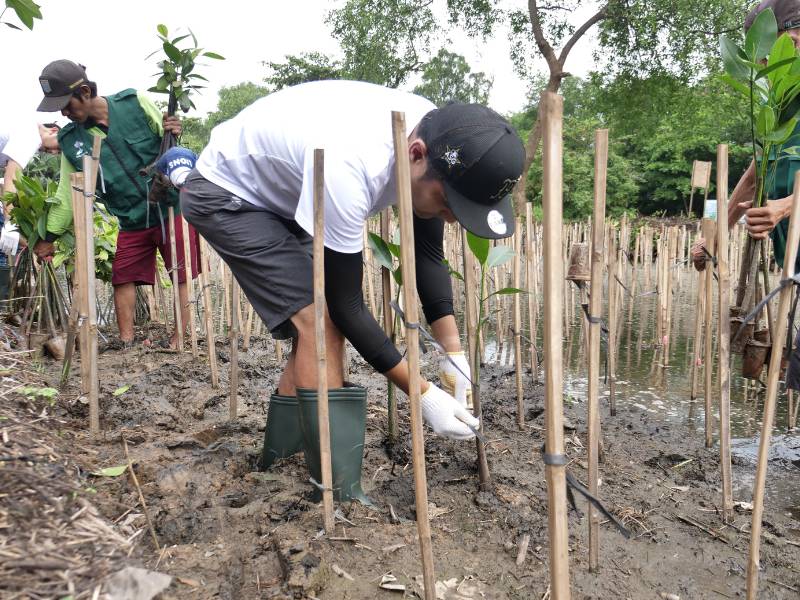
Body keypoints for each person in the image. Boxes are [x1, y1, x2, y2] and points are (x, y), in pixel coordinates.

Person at [180, 79, 524, 497]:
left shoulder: (440, 135)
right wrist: (423, 394)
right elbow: (346, 306)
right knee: (321, 324)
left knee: (315, 330)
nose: (451, 217)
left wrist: (454, 356)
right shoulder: (352, 164)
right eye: (449, 203)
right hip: (228, 192)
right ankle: (335, 486)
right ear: (416, 156)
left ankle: (280, 455)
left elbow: (428, 256)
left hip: (290, 192)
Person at [32, 59, 197, 349]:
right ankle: (126, 341)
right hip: (130, 218)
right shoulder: (71, 140)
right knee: (123, 276)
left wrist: (174, 131)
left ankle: (181, 338)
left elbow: (169, 146)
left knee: (181, 272)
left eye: (66, 104)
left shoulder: (134, 102)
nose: (64, 112)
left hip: (170, 208)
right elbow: (67, 197)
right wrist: (48, 237)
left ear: (84, 91)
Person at [692, 0, 800, 389]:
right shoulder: (778, 105)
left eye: (774, 49)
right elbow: (756, 177)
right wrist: (716, 236)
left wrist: (787, 208)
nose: (765, 66)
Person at [0, 119, 61, 301]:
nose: (53, 153)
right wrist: (10, 223)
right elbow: (10, 180)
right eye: (56, 148)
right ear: (54, 131)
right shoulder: (30, 135)